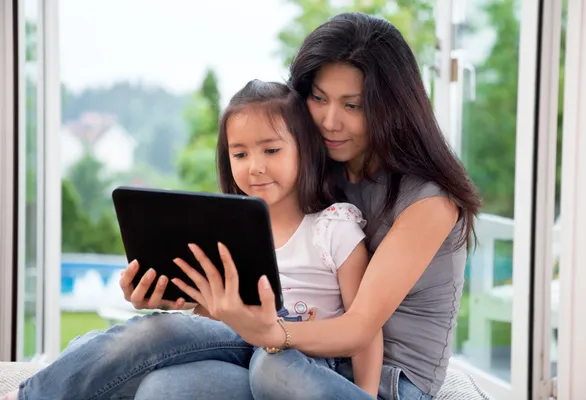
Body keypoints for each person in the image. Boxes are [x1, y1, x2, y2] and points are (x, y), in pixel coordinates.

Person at [128, 11, 481, 400]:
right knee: (165, 387)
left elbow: (359, 328)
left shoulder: (429, 201)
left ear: (392, 107)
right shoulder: (317, 174)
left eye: (353, 105)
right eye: (318, 98)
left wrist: (272, 334)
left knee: (272, 368)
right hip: (296, 357)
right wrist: (184, 295)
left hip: (386, 383)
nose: (330, 121)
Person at [9, 80, 383, 400]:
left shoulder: (334, 226)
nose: (255, 166)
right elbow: (211, 317)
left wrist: (362, 394)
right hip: (238, 348)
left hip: (305, 362)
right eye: (240, 153)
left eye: (271, 150)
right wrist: (168, 295)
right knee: (158, 342)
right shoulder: (229, 229)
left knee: (272, 364)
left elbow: (365, 331)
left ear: (306, 149)